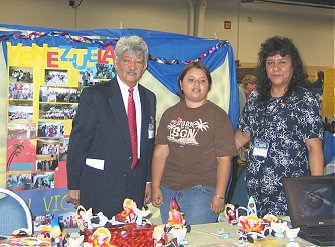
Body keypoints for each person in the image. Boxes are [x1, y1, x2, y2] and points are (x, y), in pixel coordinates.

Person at [66, 36, 156, 219]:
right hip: (99, 185)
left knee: (131, 238)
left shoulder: (149, 98)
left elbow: (148, 143)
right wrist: (73, 184)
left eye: (138, 61)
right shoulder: (94, 96)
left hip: (135, 186)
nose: (133, 66)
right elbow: (79, 142)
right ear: (116, 64)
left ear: (145, 66)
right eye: (126, 60)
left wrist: (147, 180)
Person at [234, 36, 324, 217]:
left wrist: (316, 189)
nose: (276, 68)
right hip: (256, 189)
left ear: (293, 65)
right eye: (270, 62)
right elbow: (242, 136)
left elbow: (314, 147)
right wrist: (209, 156)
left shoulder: (304, 100)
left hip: (290, 191)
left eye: (282, 62)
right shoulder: (256, 97)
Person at [151, 61, 237, 224]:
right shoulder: (170, 114)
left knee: (196, 240)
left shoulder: (218, 116)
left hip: (202, 192)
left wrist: (219, 195)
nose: (197, 84)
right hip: (168, 190)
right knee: (172, 238)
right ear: (181, 84)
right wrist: (156, 186)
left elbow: (224, 160)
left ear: (209, 86)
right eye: (191, 79)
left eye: (202, 80)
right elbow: (160, 154)